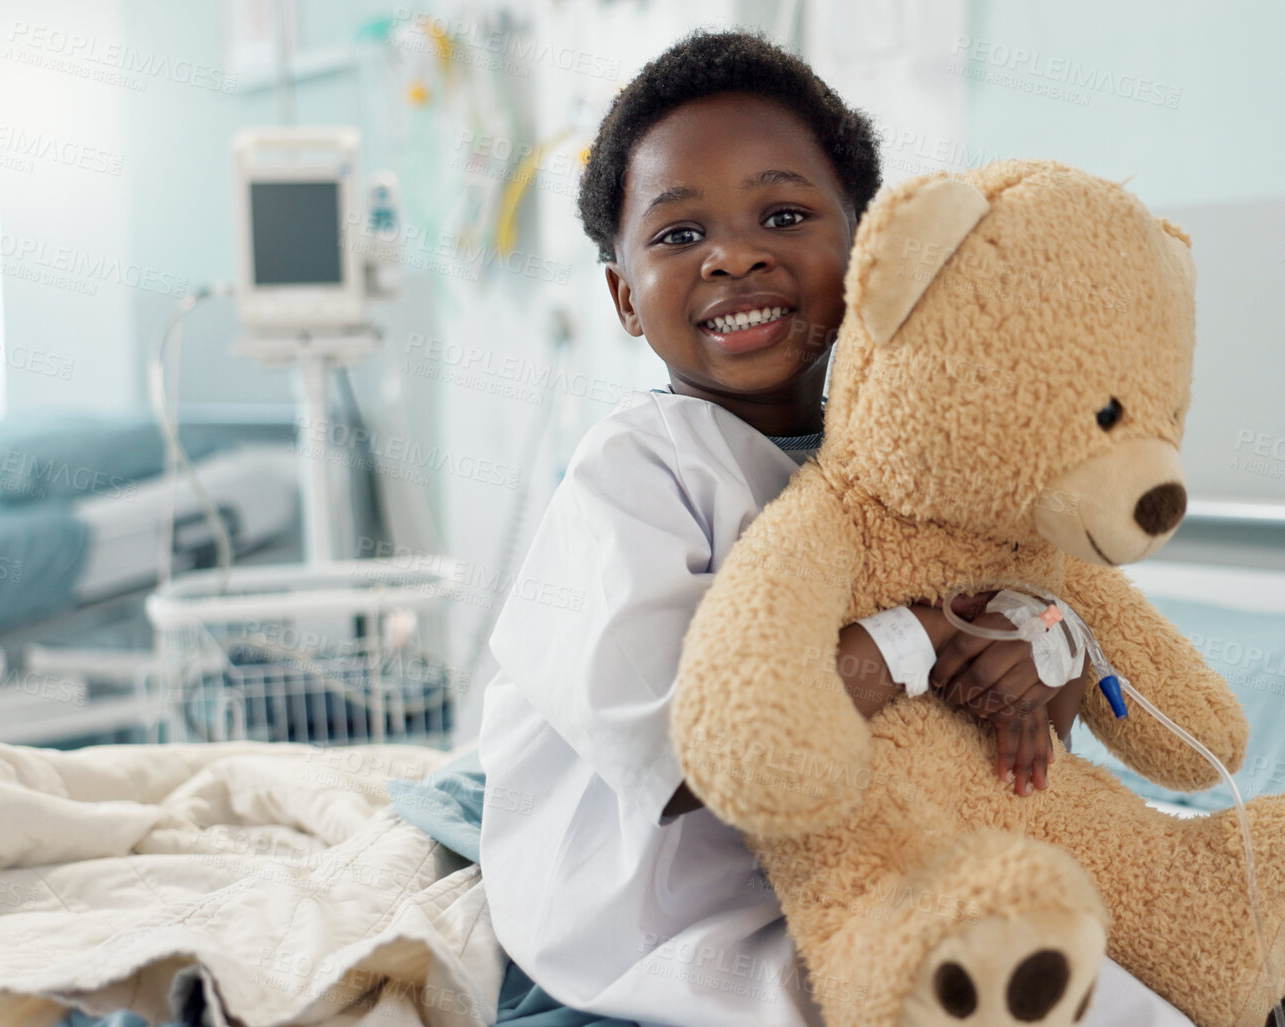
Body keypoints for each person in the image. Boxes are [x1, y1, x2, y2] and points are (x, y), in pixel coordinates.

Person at [477, 27, 1193, 1026]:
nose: (733, 254)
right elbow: (699, 757)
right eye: (679, 235)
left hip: (876, 874)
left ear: (869, 251)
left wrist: (1048, 648)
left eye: (783, 212)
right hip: (658, 926)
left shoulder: (934, 457)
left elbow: (1018, 748)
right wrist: (926, 635)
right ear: (623, 297)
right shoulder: (635, 473)